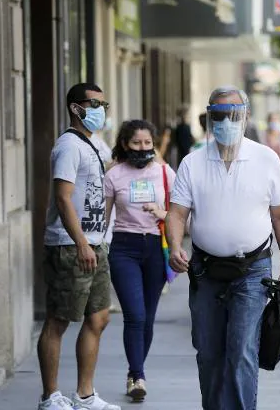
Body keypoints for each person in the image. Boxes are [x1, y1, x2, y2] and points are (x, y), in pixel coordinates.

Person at [166, 85, 280, 410]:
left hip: (252, 270)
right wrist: (174, 248)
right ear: (210, 118)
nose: (226, 122)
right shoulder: (192, 162)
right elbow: (177, 213)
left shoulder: (266, 158)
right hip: (206, 270)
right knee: (208, 352)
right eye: (219, 115)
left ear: (246, 116)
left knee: (241, 351)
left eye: (233, 115)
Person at [38, 83, 120, 410]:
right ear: (76, 107)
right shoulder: (68, 146)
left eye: (104, 103)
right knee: (59, 319)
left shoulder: (94, 143)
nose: (101, 109)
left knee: (99, 317)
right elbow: (63, 197)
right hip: (71, 246)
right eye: (94, 103)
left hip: (96, 244)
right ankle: (50, 397)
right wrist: (81, 242)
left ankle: (84, 395)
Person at [103, 120, 176, 402]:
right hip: (124, 248)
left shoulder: (165, 172)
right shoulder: (114, 175)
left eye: (148, 143)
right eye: (136, 143)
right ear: (125, 144)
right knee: (135, 315)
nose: (143, 148)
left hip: (156, 248)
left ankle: (135, 373)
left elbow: (181, 215)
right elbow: (104, 217)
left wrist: (162, 213)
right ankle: (138, 375)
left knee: (148, 319)